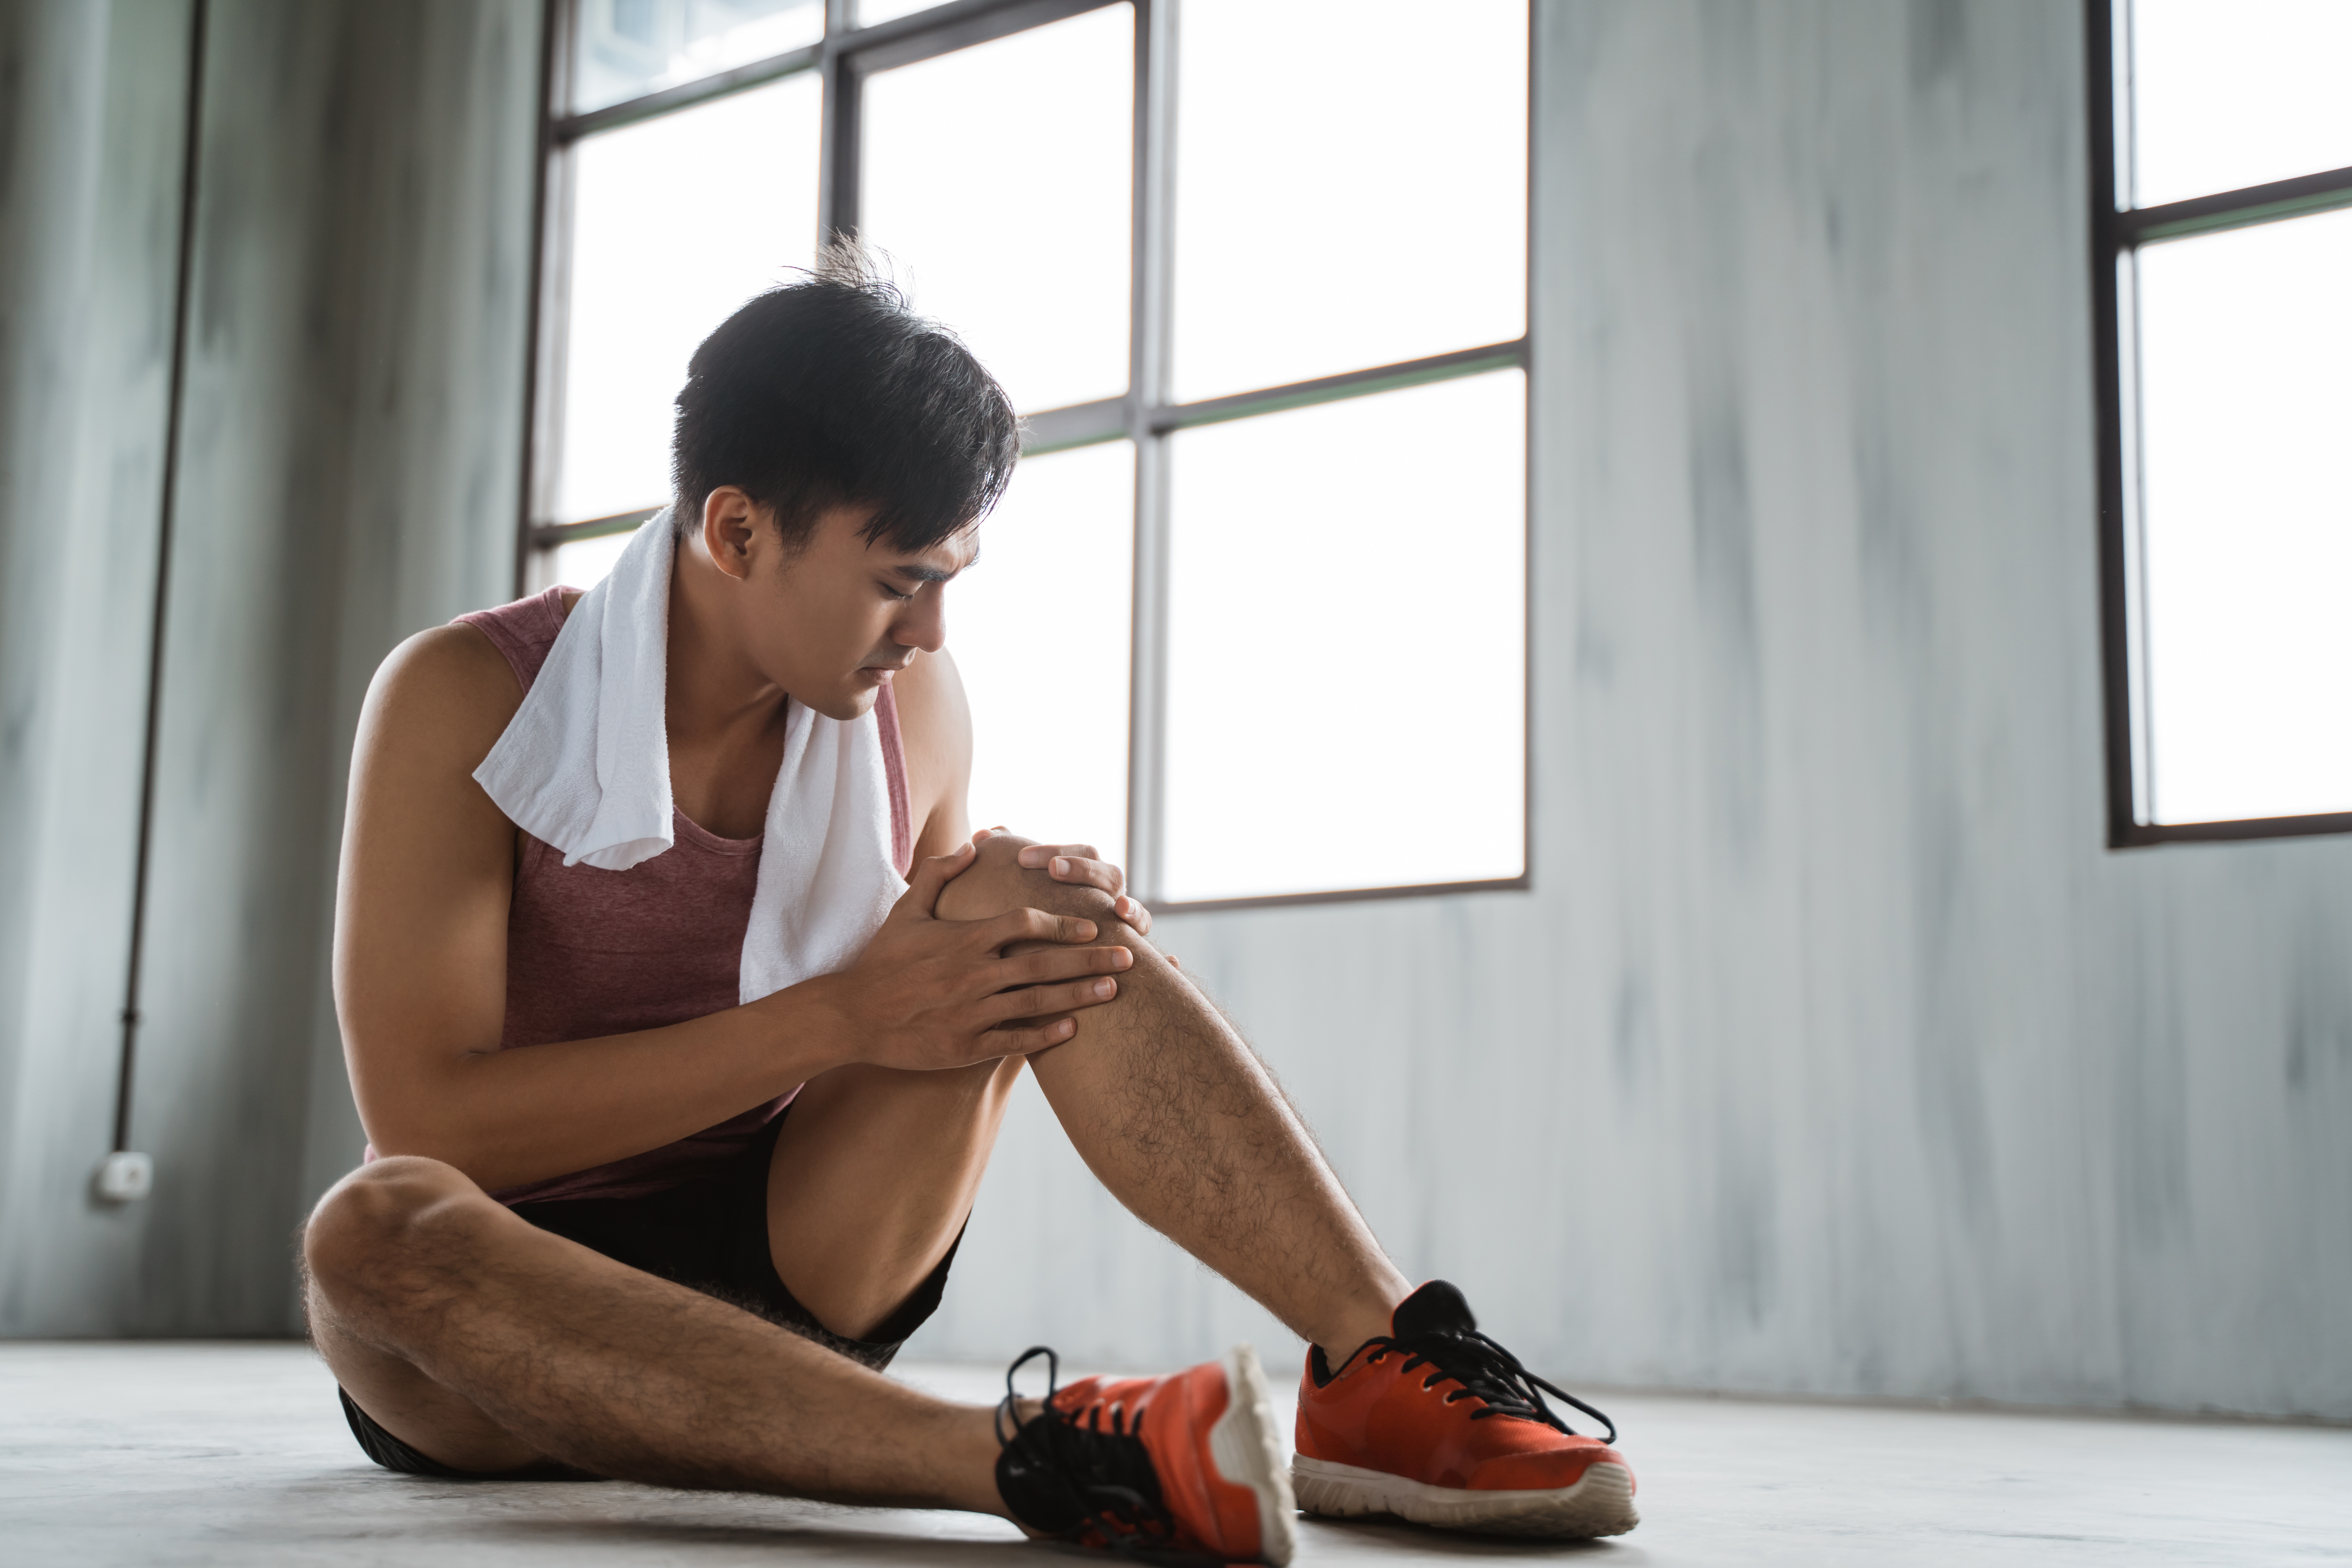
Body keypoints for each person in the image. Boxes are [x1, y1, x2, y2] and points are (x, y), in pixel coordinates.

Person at [302, 247, 1637, 1562]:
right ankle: (1043, 1461)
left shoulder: (915, 709)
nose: (931, 633)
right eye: (901, 581)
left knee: (1027, 910)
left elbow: (924, 1004)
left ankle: (1377, 1361)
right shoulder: (462, 697)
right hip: (494, 1318)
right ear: (736, 530)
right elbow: (431, 1121)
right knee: (369, 1229)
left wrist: (1003, 946)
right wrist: (840, 1016)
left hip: (796, 1260)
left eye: (950, 579)